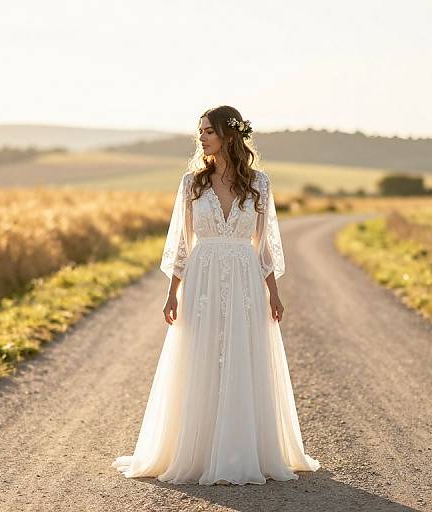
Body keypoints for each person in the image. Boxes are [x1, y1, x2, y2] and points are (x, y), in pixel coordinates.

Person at [112, 105, 320, 485]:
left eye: (208, 131)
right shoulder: (192, 183)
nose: (202, 137)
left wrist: (273, 292)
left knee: (243, 354)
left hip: (245, 277)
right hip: (201, 276)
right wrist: (170, 293)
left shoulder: (260, 183)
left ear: (228, 135)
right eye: (201, 132)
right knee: (201, 354)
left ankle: (241, 451)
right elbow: (180, 244)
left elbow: (265, 247)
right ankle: (198, 449)